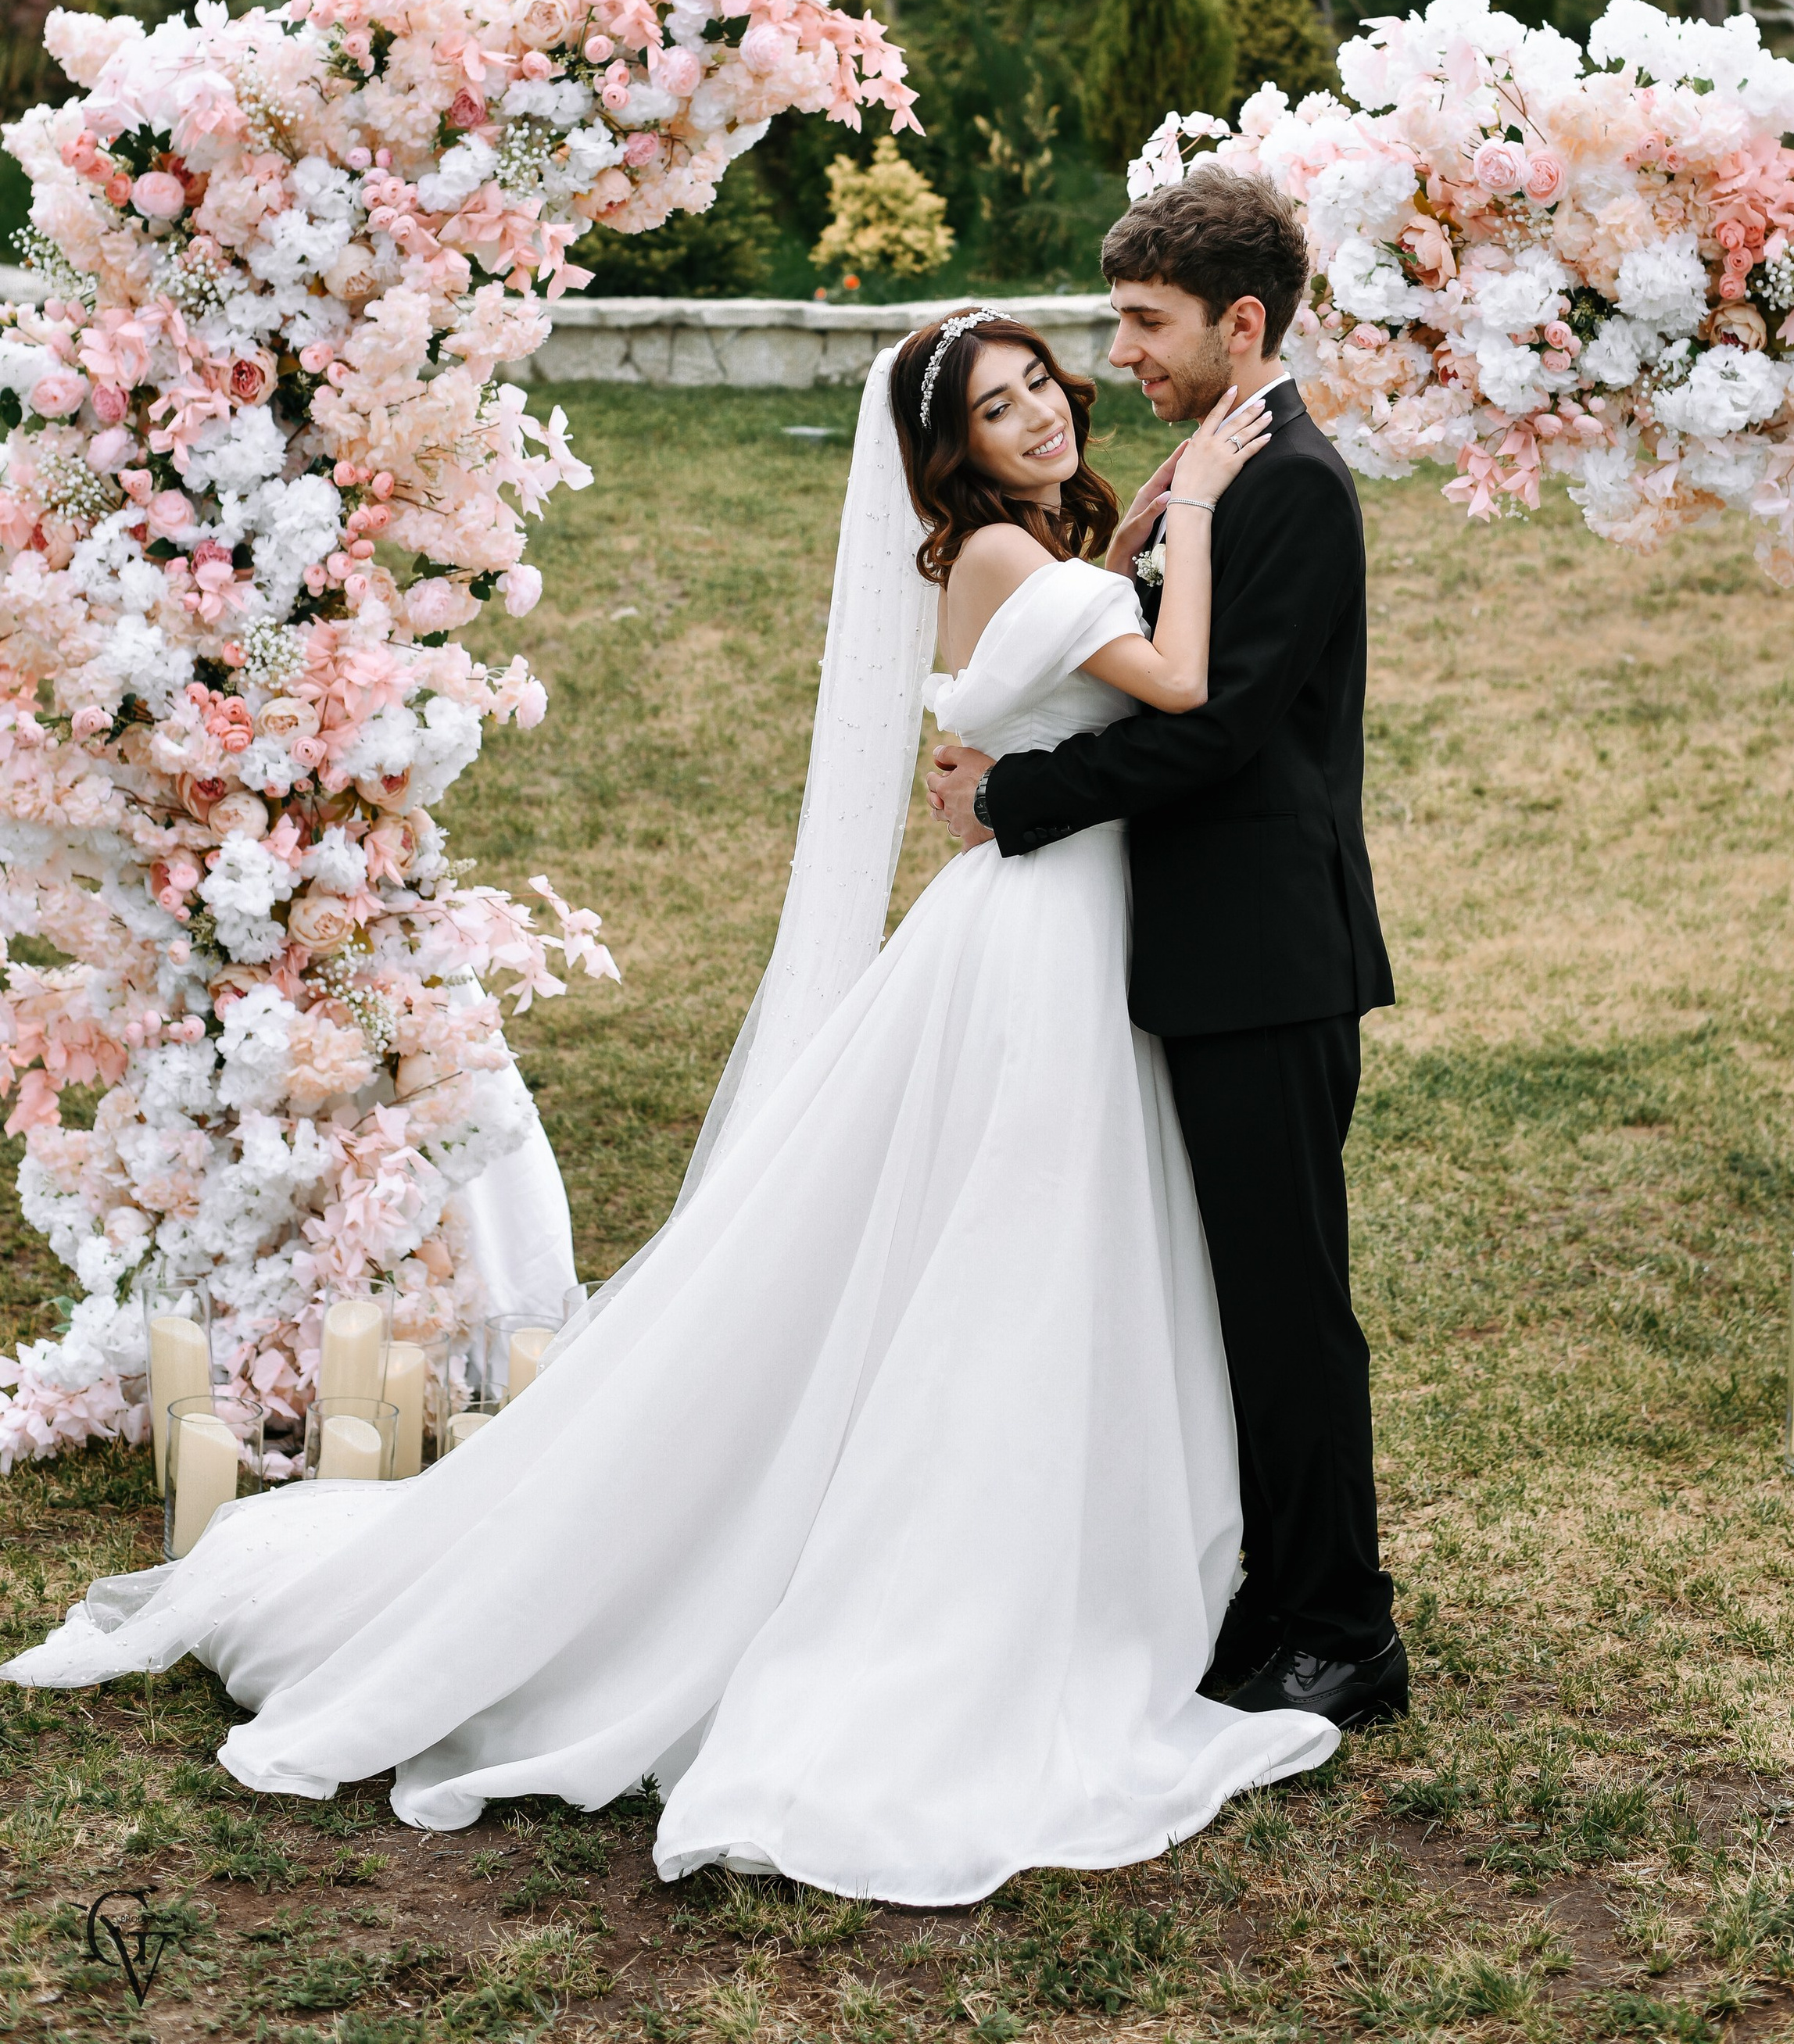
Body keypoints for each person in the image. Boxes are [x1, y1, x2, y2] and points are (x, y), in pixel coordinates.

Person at [1, 315, 1337, 1907]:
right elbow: (1177, 677)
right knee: (1014, 1243)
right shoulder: (995, 556)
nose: (1040, 411)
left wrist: (1126, 538)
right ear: (948, 454)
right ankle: (986, 1574)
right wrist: (1185, 519)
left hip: (1079, 913)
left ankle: (1126, 1549)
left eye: (1042, 382)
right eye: (997, 407)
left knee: (1083, 1239)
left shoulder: (1047, 543)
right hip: (1044, 939)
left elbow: (1081, 673)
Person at [929, 169, 1405, 1732]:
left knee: (1287, 1304)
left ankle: (1343, 1629)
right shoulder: (1217, 469)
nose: (1118, 352)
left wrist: (1020, 797)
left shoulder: (1290, 486)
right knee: (1239, 1302)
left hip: (1264, 952)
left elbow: (1222, 734)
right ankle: (1271, 1593)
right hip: (1201, 948)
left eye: (1145, 323)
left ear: (1238, 322)